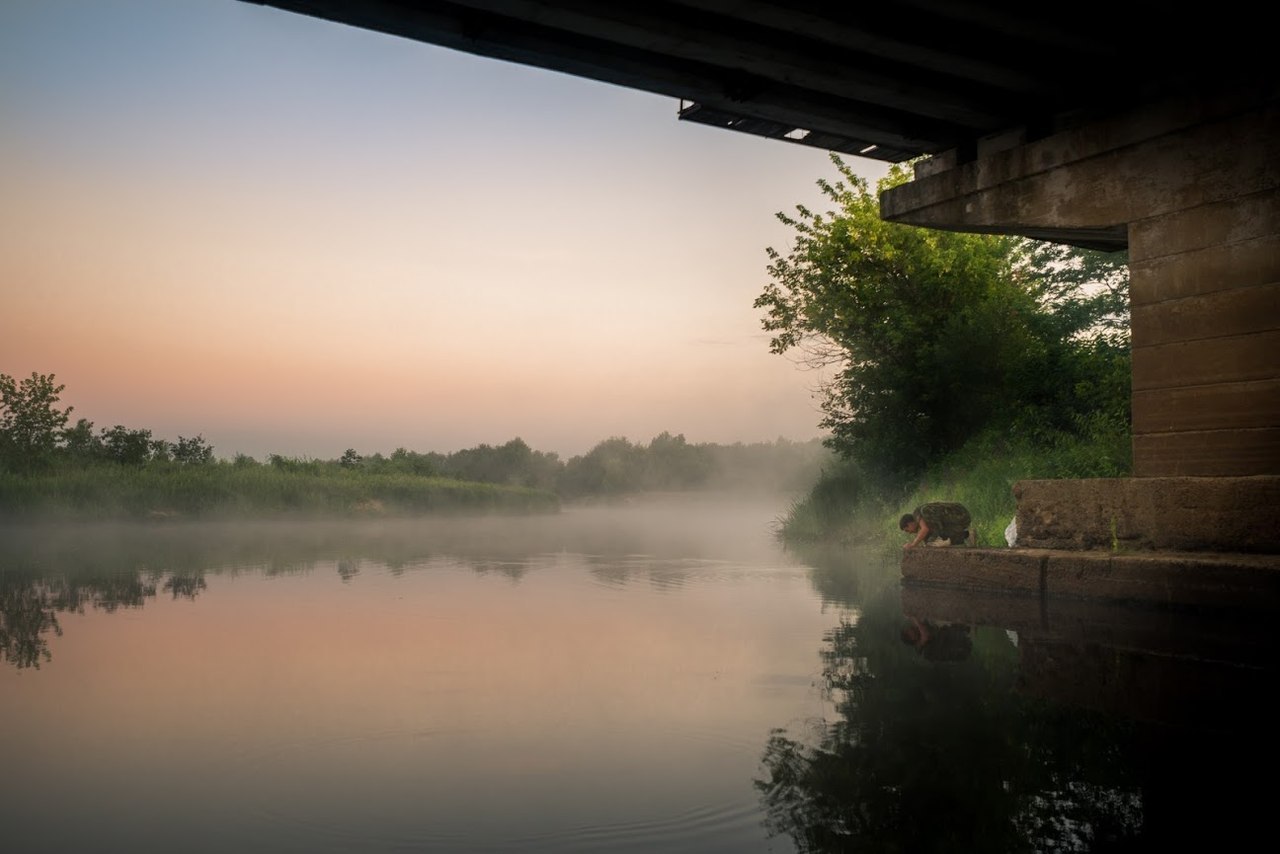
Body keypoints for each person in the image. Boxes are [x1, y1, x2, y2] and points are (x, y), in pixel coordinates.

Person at [900, 501, 974, 549]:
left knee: (937, 537)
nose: (909, 532)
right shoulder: (924, 517)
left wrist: (913, 545)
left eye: (907, 530)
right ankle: (966, 535)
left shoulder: (920, 513)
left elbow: (925, 529)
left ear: (910, 523)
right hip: (957, 517)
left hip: (961, 515)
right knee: (932, 540)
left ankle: (966, 535)